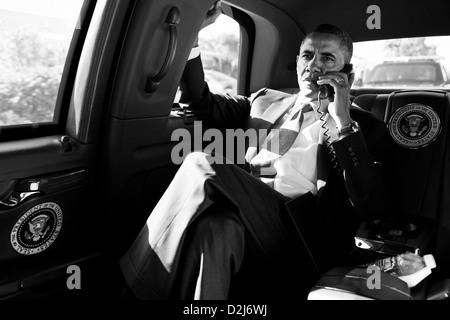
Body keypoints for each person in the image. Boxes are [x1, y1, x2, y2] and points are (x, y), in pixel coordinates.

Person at [119, 1, 390, 300]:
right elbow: (201, 104)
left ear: (347, 74)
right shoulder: (265, 100)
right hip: (250, 214)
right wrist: (191, 38)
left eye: (327, 58)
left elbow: (370, 205)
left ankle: (132, 291)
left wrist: (341, 120)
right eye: (308, 55)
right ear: (297, 61)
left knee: (200, 163)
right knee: (218, 228)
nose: (314, 66)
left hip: (302, 236)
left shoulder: (362, 126)